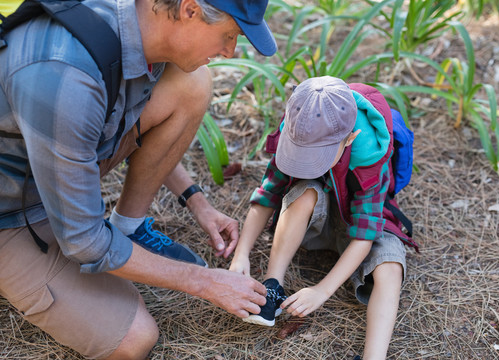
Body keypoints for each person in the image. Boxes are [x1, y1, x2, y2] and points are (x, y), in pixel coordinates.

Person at [0, 0, 277, 358]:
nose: (230, 50)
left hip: (51, 167)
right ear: (190, 10)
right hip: (11, 212)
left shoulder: (135, 25)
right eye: (228, 35)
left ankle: (128, 228)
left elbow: (113, 121)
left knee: (190, 83)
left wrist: (198, 202)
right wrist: (204, 282)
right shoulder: (66, 74)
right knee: (133, 340)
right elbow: (83, 241)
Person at [230, 76, 418, 359]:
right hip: (314, 217)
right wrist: (241, 253)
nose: (305, 161)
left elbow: (364, 236)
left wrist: (321, 291)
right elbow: (268, 192)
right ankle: (272, 287)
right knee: (306, 192)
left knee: (391, 268)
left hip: (358, 222)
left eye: (317, 156)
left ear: (350, 138)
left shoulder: (370, 150)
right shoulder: (298, 125)